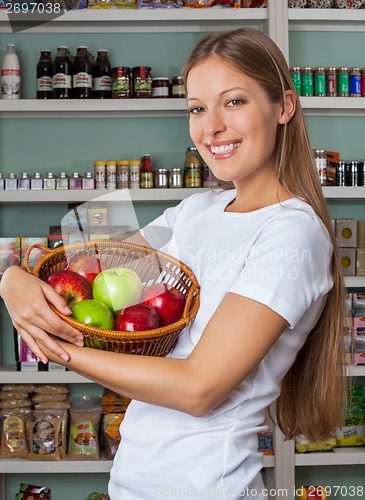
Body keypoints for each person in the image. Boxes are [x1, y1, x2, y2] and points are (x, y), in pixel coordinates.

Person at [0, 27, 346, 499]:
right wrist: (15, 278)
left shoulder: (293, 233)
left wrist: (54, 344)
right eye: (197, 108)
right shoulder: (196, 211)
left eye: (235, 102)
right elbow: (87, 269)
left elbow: (198, 389)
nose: (211, 127)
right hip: (132, 481)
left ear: (284, 106)